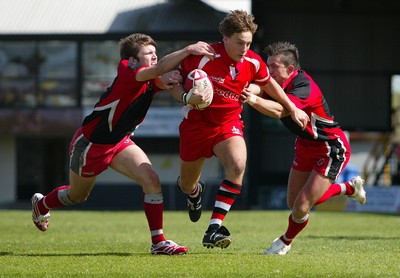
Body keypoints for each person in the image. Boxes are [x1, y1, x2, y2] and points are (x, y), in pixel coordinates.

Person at [31, 33, 215, 255]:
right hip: (91, 145)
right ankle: (41, 205)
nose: (155, 57)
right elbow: (158, 73)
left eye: (156, 53)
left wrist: (188, 96)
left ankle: (158, 242)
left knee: (152, 180)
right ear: (133, 60)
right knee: (76, 196)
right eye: (149, 54)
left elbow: (164, 80)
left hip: (119, 142)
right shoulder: (128, 69)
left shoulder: (149, 76)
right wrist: (187, 49)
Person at [163, 10, 309, 249]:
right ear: (225, 38)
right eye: (240, 42)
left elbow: (270, 84)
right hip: (196, 127)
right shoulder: (202, 57)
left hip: (227, 124)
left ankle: (214, 228)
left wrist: (292, 108)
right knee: (187, 184)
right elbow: (170, 81)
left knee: (238, 165)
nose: (245, 48)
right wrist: (186, 97)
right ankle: (194, 193)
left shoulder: (252, 61)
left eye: (249, 43)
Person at [240, 41, 367, 255]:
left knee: (301, 206)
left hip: (330, 148)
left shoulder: (304, 87)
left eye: (273, 67)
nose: (268, 72)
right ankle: (349, 189)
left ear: (290, 69)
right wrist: (247, 89)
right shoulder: (276, 82)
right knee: (294, 202)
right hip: (305, 145)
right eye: (267, 66)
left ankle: (284, 242)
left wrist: (251, 98)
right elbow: (259, 85)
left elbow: (280, 111)